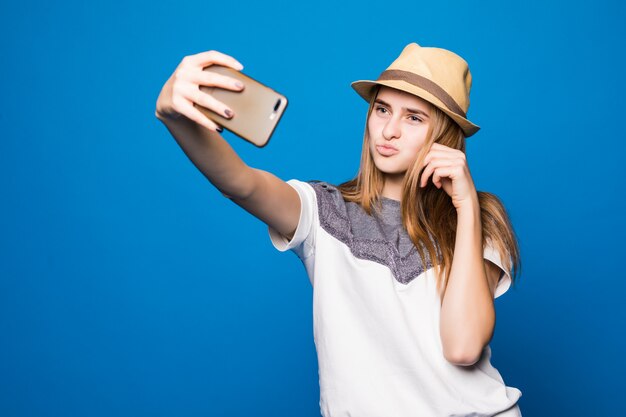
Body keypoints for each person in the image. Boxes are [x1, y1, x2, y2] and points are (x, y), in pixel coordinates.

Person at [155, 43, 523, 417]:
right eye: (382, 109)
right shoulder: (322, 211)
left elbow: (463, 347)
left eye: (414, 118)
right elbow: (242, 184)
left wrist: (466, 208)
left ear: (444, 136)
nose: (389, 130)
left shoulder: (481, 219)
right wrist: (177, 118)